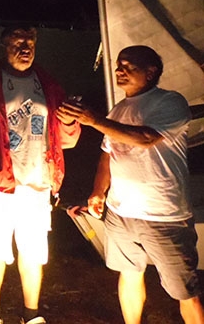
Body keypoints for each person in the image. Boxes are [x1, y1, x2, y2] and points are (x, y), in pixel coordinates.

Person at [58, 45, 204, 324]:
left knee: (185, 290)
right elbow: (108, 153)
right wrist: (98, 192)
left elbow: (146, 138)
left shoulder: (170, 102)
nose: (119, 70)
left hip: (164, 214)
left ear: (150, 72)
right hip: (121, 212)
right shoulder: (119, 109)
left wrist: (95, 120)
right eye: (118, 65)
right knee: (129, 274)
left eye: (128, 66)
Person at [0, 25, 81, 324]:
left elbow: (67, 139)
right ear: (4, 45)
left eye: (30, 42)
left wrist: (70, 122)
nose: (25, 48)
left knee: (33, 250)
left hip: (38, 183)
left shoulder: (48, 84)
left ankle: (32, 314)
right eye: (18, 42)